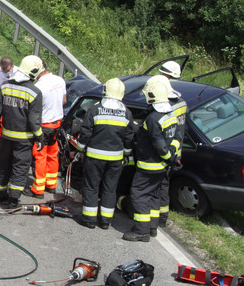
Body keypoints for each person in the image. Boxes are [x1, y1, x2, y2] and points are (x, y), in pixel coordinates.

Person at [72, 78, 134, 230]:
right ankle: (106, 221)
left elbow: (85, 133)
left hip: (95, 157)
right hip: (115, 160)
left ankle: (89, 219)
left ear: (105, 91)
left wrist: (79, 149)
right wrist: (125, 154)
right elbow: (129, 137)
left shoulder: (95, 110)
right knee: (110, 188)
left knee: (91, 187)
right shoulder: (126, 113)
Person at [123, 76, 178, 242]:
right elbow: (174, 139)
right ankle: (152, 227)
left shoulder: (153, 119)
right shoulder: (170, 114)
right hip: (160, 167)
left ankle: (141, 231)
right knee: (153, 195)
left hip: (149, 165)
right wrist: (171, 158)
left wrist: (167, 157)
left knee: (138, 195)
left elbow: (159, 145)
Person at [0, 55, 44, 208]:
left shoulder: (5, 86)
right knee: (20, 168)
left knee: (3, 165)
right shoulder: (34, 92)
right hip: (24, 140)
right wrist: (39, 137)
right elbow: (34, 121)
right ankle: (13, 200)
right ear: (33, 73)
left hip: (6, 136)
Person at [24, 61, 67, 199]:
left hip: (44, 126)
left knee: (40, 157)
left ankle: (38, 189)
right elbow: (64, 101)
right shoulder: (60, 80)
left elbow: (33, 110)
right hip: (57, 125)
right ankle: (51, 184)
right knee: (53, 154)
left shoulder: (39, 87)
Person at [157, 63, 186, 229]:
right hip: (176, 149)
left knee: (160, 186)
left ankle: (159, 219)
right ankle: (162, 218)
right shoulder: (181, 102)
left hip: (166, 152)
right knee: (164, 185)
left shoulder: (166, 106)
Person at [0, 57, 18, 170]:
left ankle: (10, 164)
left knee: (13, 138)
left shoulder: (19, 73)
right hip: (2, 110)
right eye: (3, 70)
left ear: (12, 66)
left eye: (7, 71)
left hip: (15, 111)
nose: (4, 72)